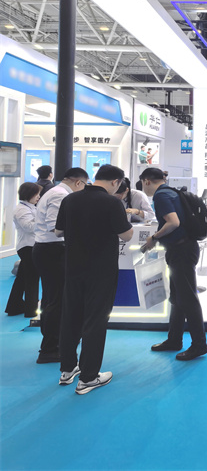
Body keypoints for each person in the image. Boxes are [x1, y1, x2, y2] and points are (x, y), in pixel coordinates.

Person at [55, 164, 133, 394]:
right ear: (116, 182)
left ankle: (67, 369)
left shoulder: (70, 199)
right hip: (101, 270)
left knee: (70, 316)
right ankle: (89, 377)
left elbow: (58, 231)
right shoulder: (112, 202)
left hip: (72, 267)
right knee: (95, 319)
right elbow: (127, 235)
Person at [141, 167, 207, 361]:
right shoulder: (171, 192)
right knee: (178, 298)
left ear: (146, 181)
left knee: (187, 299)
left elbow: (173, 222)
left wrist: (154, 237)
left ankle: (199, 345)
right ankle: (174, 339)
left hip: (181, 251)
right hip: (183, 248)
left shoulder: (161, 196)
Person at [32, 167, 89, 364]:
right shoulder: (61, 195)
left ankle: (52, 345)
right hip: (52, 251)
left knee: (52, 299)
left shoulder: (56, 192)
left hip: (49, 250)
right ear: (79, 183)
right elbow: (55, 226)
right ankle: (50, 348)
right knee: (56, 301)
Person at [5, 183, 42, 317]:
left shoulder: (30, 207)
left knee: (22, 279)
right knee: (32, 278)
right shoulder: (22, 209)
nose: (38, 197)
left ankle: (14, 306)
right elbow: (28, 227)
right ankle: (31, 309)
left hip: (30, 245)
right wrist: (43, 220)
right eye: (36, 194)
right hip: (27, 247)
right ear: (29, 194)